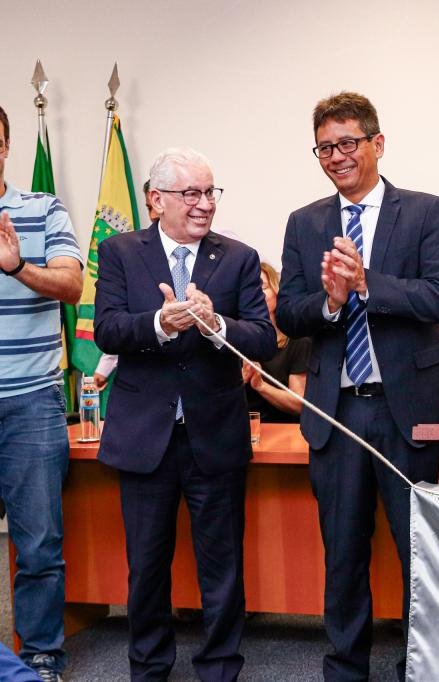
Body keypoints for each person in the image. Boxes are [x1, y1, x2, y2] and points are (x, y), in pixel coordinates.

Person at [276, 91, 439, 681]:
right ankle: (345, 670)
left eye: (347, 143)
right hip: (336, 413)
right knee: (344, 554)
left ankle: (421, 668)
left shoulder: (426, 211)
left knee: (419, 553)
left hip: (409, 412)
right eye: (325, 148)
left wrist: (366, 284)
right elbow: (288, 315)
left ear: (377, 144)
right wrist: (329, 303)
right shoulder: (304, 223)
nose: (336, 157)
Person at [94, 147, 276, 681]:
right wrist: (160, 323)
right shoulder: (121, 252)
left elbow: (263, 338)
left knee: (221, 567)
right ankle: (148, 667)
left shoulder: (239, 258)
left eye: (210, 192)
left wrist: (215, 324)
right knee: (147, 566)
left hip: (213, 436)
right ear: (156, 200)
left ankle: (219, 667)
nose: (203, 205)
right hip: (145, 436)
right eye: (189, 193)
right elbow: (106, 329)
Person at [0, 104, 84, 682]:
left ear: (4, 146)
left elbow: (73, 282)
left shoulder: (41, 209)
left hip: (29, 402)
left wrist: (18, 266)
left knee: (38, 544)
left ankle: (40, 656)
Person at [94, 180, 160, 392]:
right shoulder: (131, 253)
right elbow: (120, 318)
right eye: (149, 207)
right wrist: (103, 369)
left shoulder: (224, 252)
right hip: (148, 384)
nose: (152, 215)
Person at [241, 261, 310, 422]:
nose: (257, 295)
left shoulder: (298, 341)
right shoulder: (235, 339)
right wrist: (241, 379)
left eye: (262, 287)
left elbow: (300, 404)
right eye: (250, 289)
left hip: (286, 434)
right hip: (244, 433)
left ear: (276, 290)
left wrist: (261, 386)